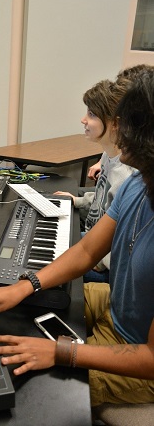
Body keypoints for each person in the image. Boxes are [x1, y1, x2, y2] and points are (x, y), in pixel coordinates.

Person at [0, 70, 154, 408]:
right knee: (13, 314)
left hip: (143, 362)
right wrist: (25, 286)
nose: (118, 132)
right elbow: (85, 249)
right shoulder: (136, 185)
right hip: (117, 306)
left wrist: (62, 351)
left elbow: (150, 358)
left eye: (127, 124)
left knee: (35, 391)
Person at [55, 78, 135, 282]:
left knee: (46, 265)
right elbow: (104, 202)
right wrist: (77, 201)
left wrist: (100, 260)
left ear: (115, 123)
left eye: (91, 114)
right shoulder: (109, 156)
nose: (83, 120)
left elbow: (123, 242)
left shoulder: (127, 176)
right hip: (96, 246)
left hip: (106, 265)